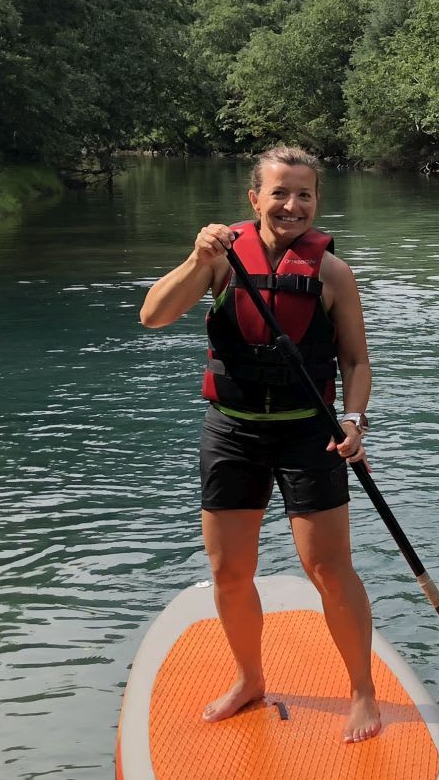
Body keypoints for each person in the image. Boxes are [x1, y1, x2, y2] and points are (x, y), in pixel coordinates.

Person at [138, 146, 382, 738]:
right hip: (233, 430)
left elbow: (355, 360)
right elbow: (153, 315)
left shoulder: (331, 273)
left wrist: (354, 421)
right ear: (255, 199)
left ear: (317, 201)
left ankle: (362, 690)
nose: (291, 205)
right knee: (229, 570)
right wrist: (198, 259)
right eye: (279, 192)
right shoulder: (221, 262)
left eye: (304, 194)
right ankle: (250, 678)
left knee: (328, 567)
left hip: (310, 432)